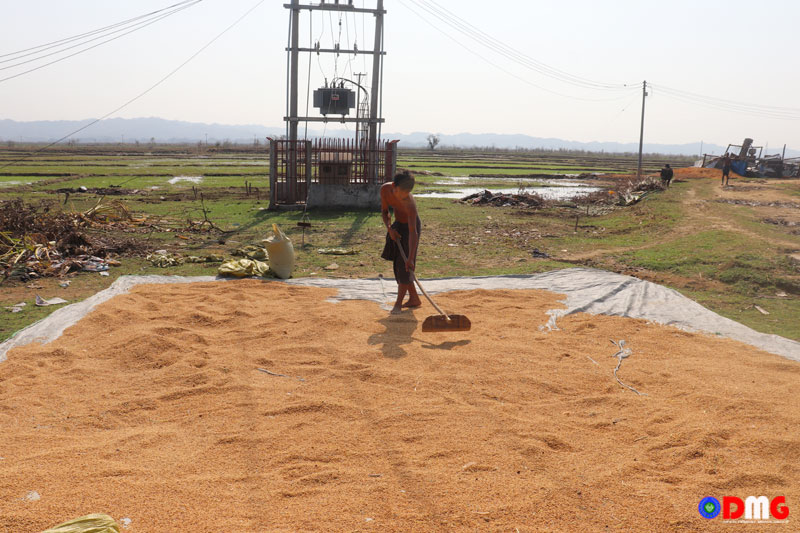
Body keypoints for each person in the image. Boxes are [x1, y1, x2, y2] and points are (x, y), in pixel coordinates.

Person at [380, 171, 421, 314]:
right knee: (397, 263)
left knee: (404, 265)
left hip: (410, 229)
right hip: (397, 225)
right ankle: (414, 298)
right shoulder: (385, 190)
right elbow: (385, 213)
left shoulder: (410, 204)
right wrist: (390, 229)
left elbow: (413, 232)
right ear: (393, 186)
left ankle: (398, 304)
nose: (402, 197)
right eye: (400, 192)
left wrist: (410, 258)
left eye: (406, 193)